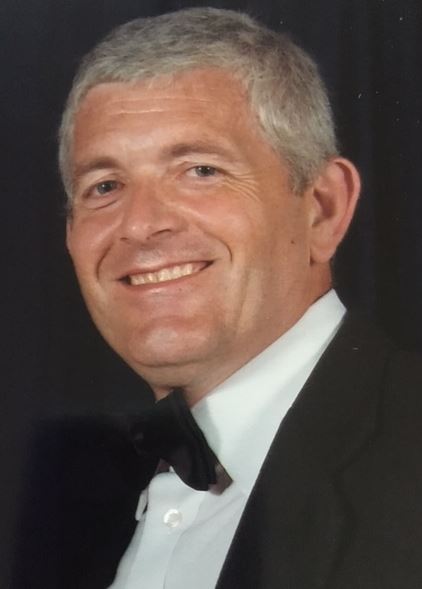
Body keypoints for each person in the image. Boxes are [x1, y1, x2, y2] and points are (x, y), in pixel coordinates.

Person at [58, 7, 422, 589]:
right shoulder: (67, 510)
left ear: (322, 209)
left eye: (201, 170)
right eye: (104, 186)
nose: (140, 224)